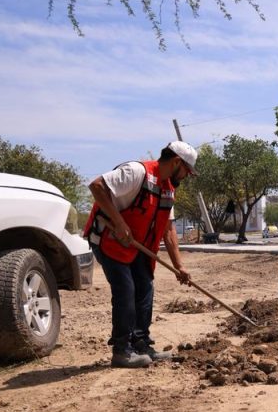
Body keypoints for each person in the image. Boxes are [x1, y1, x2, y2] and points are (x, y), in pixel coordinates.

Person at [84, 142, 196, 368]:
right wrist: (119, 222)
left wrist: (179, 266)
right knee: (126, 290)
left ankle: (141, 344)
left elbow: (168, 229)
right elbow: (96, 186)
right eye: (186, 171)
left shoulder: (167, 189)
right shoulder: (137, 172)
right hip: (109, 240)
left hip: (136, 247)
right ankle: (122, 351)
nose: (186, 177)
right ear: (177, 162)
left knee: (145, 288)